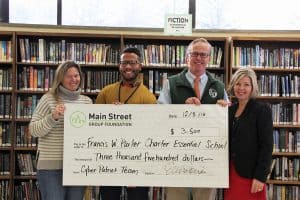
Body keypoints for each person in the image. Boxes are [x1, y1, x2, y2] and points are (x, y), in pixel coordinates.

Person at [158, 38, 228, 200]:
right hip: (177, 156)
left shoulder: (218, 86)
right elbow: (160, 116)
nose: (199, 58)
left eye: (203, 55)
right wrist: (181, 110)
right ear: (187, 57)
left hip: (208, 158)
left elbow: (226, 123)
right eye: (195, 54)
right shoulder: (171, 84)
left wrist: (225, 110)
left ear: (209, 59)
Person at [95, 47, 156, 200]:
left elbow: (152, 132)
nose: (128, 67)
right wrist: (110, 116)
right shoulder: (106, 92)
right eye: (124, 63)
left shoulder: (148, 97)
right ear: (119, 66)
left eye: (132, 63)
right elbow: (94, 127)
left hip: (137, 161)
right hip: (108, 160)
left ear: (140, 66)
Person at [29, 61, 92, 200]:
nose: (73, 79)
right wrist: (53, 117)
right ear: (60, 78)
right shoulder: (48, 99)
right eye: (68, 76)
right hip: (51, 167)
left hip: (77, 165)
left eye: (76, 76)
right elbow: (33, 130)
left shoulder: (87, 101)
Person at [224, 68, 273, 200]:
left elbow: (267, 146)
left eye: (246, 84)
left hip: (251, 175)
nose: (241, 88)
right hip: (230, 173)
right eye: (238, 84)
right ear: (233, 85)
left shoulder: (262, 110)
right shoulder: (229, 110)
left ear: (253, 87)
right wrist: (217, 109)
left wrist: (260, 176)